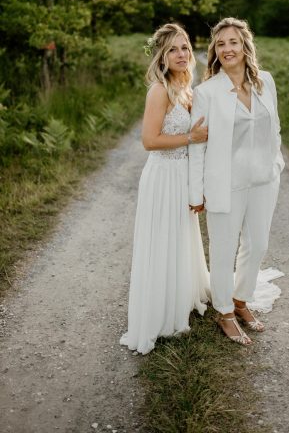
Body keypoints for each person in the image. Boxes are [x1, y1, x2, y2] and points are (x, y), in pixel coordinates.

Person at [189, 18, 285, 346]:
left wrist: (277, 162)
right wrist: (196, 191)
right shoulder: (206, 92)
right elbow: (198, 146)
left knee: (257, 244)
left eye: (233, 42)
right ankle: (225, 312)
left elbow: (275, 128)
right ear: (214, 51)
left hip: (264, 179)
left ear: (245, 46)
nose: (227, 49)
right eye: (220, 44)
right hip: (225, 183)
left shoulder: (266, 82)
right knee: (224, 247)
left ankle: (242, 301)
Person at [120, 23, 210, 355]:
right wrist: (191, 137)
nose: (182, 54)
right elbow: (149, 141)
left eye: (185, 47)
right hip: (162, 178)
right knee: (162, 241)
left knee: (180, 238)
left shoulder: (187, 88)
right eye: (173, 49)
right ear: (161, 55)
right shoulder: (159, 90)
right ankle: (159, 312)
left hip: (182, 176)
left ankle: (181, 297)